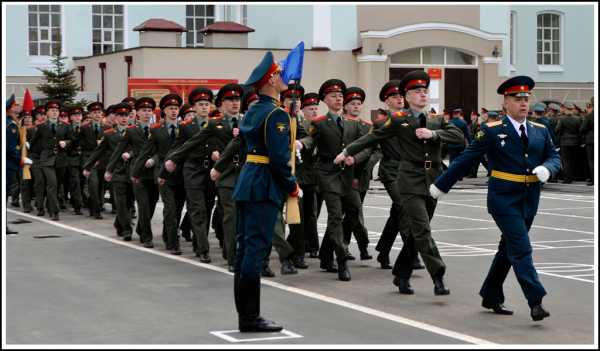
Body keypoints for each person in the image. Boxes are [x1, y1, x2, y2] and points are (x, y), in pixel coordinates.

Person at [430, 75, 560, 321]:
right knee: (521, 248)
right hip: (503, 199)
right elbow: (465, 159)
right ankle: (536, 300)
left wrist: (548, 168)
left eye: (526, 98)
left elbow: (553, 156)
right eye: (517, 98)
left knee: (507, 249)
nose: (523, 103)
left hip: (529, 198)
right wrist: (441, 184)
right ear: (505, 102)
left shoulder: (540, 131)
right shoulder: (491, 131)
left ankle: (490, 294)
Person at [335, 70, 464, 295]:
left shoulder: (435, 119)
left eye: (425, 91)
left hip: (433, 179)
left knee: (417, 233)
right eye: (417, 91)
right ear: (406, 95)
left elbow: (460, 138)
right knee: (422, 229)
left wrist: (434, 136)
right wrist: (347, 150)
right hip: (409, 179)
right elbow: (371, 137)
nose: (423, 95)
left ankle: (401, 274)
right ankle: (438, 276)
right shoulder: (397, 119)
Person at [231, 51, 300, 332]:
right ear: (271, 79)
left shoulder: (254, 111)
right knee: (255, 252)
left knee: (245, 249)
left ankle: (246, 315)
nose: (284, 77)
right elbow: (279, 159)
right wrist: (292, 186)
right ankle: (250, 317)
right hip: (263, 185)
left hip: (248, 181)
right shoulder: (275, 114)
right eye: (279, 73)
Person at [297, 79, 373, 282]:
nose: (338, 99)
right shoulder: (320, 123)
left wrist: (354, 158)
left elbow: (366, 146)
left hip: (347, 176)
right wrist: (300, 145)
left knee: (355, 211)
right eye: (333, 96)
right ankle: (341, 261)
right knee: (335, 217)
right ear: (325, 100)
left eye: (340, 96)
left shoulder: (353, 123)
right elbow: (311, 139)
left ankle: (331, 253)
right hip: (328, 174)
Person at [133, 94, 186, 251]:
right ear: (164, 111)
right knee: (169, 208)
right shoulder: (157, 130)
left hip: (181, 173)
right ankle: (172, 243)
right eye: (170, 108)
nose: (174, 111)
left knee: (177, 208)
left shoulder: (185, 128)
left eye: (176, 108)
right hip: (163, 174)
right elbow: (145, 152)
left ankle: (167, 233)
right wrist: (136, 172)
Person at [555, 102, 582, 183]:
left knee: (566, 161)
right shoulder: (578, 119)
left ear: (566, 109)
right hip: (575, 141)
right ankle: (574, 176)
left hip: (565, 142)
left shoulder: (562, 119)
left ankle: (567, 178)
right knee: (574, 160)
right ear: (572, 109)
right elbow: (580, 130)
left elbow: (557, 130)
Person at [6, 94, 21, 235]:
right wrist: (21, 157)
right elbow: (10, 148)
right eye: (15, 105)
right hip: (8, 165)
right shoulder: (10, 125)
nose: (17, 106)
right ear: (10, 108)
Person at [580, 98, 594, 186]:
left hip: (592, 141)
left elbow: (582, 128)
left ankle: (594, 180)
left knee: (592, 161)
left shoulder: (590, 116)